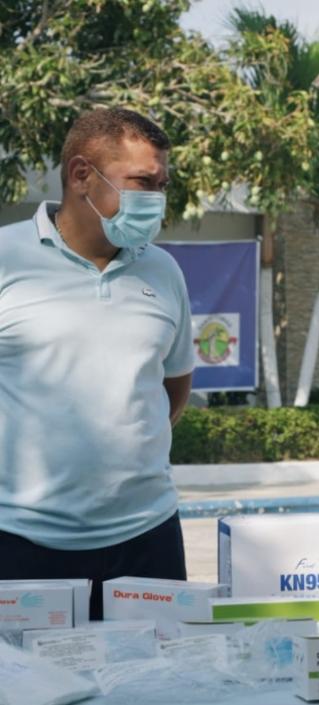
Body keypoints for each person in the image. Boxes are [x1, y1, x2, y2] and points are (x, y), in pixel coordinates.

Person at [0, 108, 194, 619]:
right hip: (22, 542)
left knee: (158, 692)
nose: (155, 200)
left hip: (148, 538)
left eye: (161, 184)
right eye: (142, 183)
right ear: (82, 175)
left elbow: (173, 387)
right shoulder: (5, 259)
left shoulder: (164, 269)